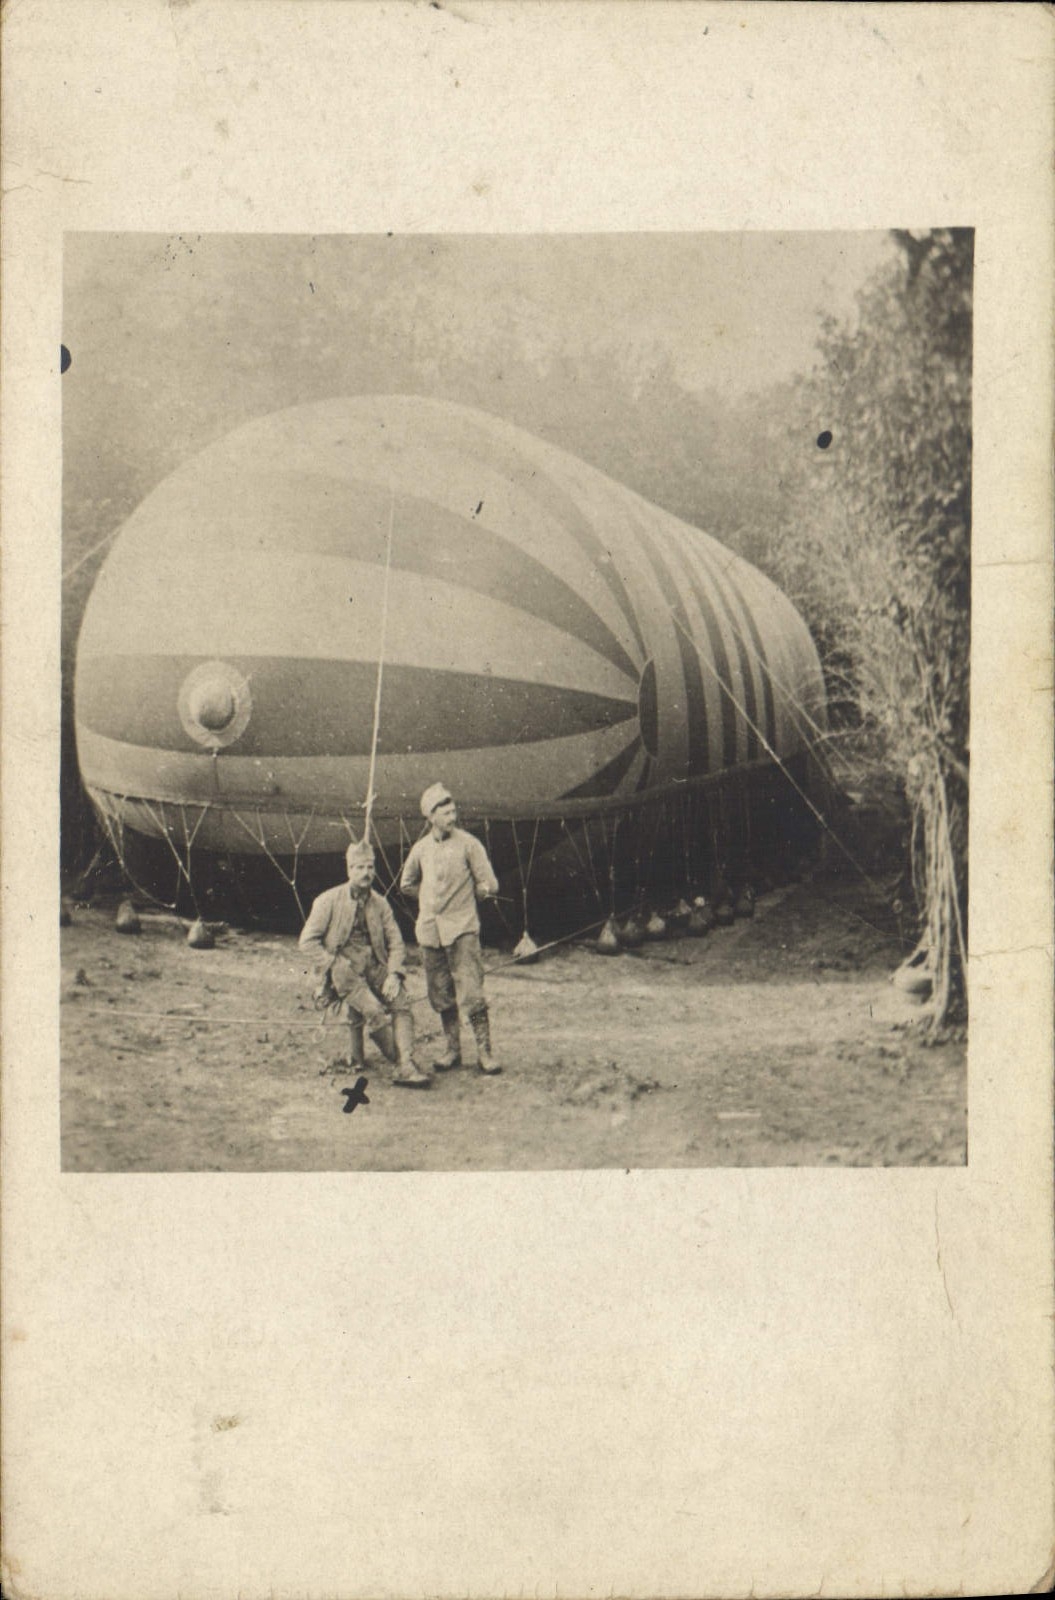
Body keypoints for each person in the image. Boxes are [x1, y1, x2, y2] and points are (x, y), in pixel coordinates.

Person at [299, 838, 430, 1089]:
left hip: (375, 967)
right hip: (344, 973)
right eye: (359, 868)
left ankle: (406, 1062)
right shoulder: (328, 901)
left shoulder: (380, 904)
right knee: (374, 1011)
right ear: (349, 870)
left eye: (370, 867)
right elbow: (306, 942)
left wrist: (393, 974)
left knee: (401, 1003)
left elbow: (396, 943)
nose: (366, 873)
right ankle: (403, 1064)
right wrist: (332, 963)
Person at [399, 783, 501, 1075]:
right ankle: (452, 1049)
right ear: (430, 817)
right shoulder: (420, 849)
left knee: (472, 991)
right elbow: (406, 884)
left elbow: (490, 884)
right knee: (441, 993)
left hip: (463, 929)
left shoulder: (469, 844)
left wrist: (481, 890)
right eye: (443, 812)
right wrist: (429, 898)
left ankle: (485, 1053)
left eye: (452, 810)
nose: (451, 816)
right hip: (430, 932)